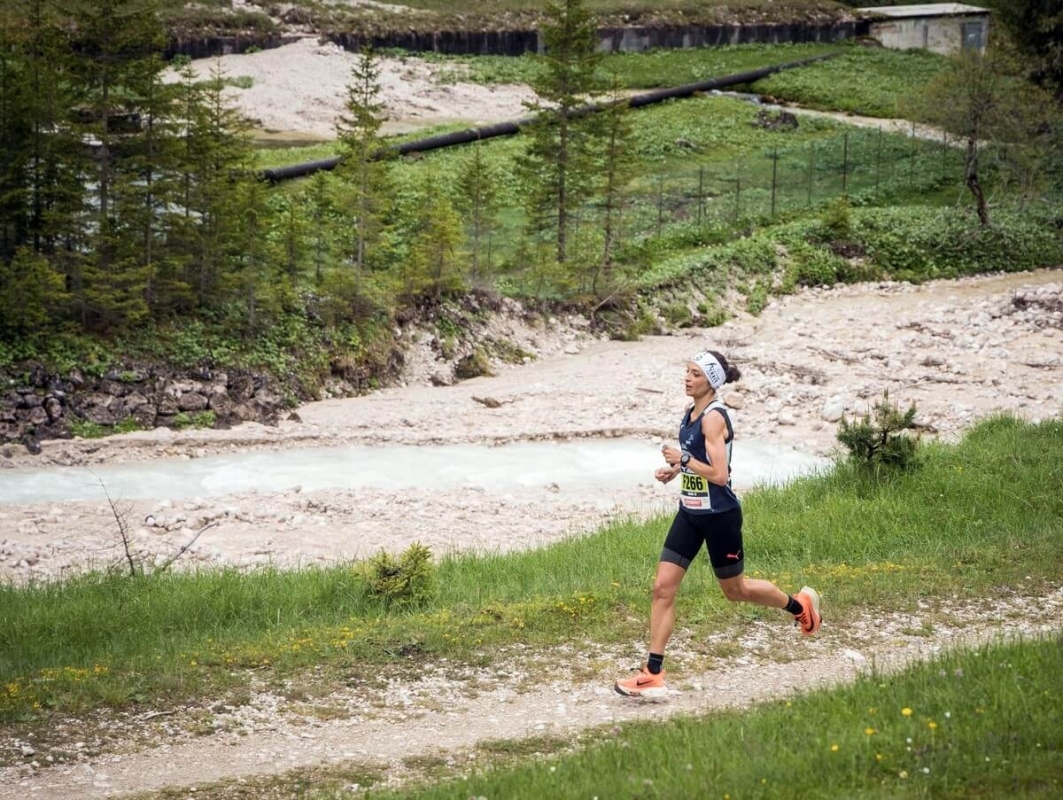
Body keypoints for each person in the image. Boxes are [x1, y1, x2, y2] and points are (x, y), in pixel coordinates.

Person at [614, 349, 821, 699]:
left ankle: (800, 606)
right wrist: (676, 471)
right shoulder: (690, 412)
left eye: (694, 373)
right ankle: (652, 672)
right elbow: (698, 460)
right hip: (690, 513)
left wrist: (683, 459)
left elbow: (720, 475)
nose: (687, 377)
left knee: (735, 591)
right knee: (662, 587)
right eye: (686, 370)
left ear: (711, 380)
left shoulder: (714, 418)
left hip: (720, 516)